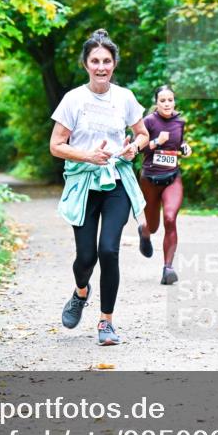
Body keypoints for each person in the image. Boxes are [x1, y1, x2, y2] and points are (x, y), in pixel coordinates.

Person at [50, 29, 149, 346]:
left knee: (109, 250)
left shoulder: (125, 97)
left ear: (114, 64)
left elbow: (142, 134)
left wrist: (135, 148)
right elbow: (56, 145)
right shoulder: (73, 100)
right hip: (83, 183)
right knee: (85, 257)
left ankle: (106, 322)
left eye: (107, 61)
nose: (101, 67)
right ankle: (81, 292)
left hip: (117, 181)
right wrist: (87, 156)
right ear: (86, 64)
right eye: (95, 61)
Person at [136, 85, 193, 284]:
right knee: (153, 226)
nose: (167, 104)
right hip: (150, 179)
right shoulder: (148, 122)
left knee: (170, 218)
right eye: (163, 101)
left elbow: (180, 143)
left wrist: (185, 148)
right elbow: (137, 149)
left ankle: (168, 268)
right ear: (156, 103)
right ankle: (144, 231)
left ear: (174, 101)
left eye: (170, 100)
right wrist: (156, 142)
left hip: (172, 177)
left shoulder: (180, 121)